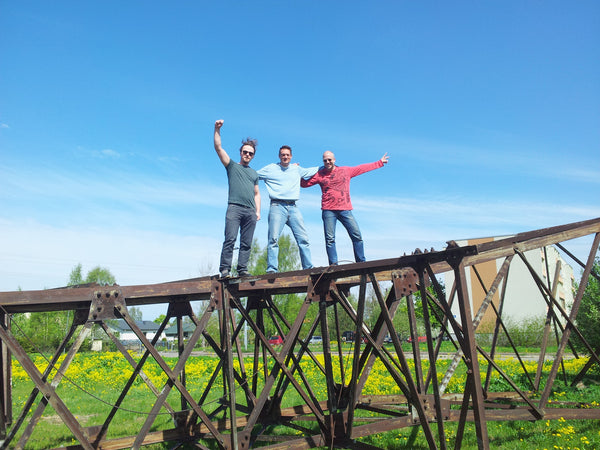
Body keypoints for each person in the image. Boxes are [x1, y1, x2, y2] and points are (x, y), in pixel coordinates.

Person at [301, 151, 389, 265]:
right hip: (328, 210)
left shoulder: (345, 170)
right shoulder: (320, 174)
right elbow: (304, 184)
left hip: (345, 209)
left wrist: (379, 162)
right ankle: (333, 266)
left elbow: (361, 168)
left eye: (329, 160)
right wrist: (295, 172)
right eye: (325, 160)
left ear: (334, 160)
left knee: (357, 236)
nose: (327, 162)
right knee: (330, 240)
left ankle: (361, 263)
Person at [258, 146, 318, 273]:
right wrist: (241, 170)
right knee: (273, 239)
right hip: (277, 207)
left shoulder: (296, 169)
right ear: (279, 156)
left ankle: (308, 267)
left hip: (293, 207)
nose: (285, 157)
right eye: (283, 155)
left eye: (287, 155)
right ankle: (272, 270)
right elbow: (254, 175)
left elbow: (311, 171)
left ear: (291, 156)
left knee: (303, 239)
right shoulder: (271, 168)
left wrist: (326, 166)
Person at [213, 119, 261, 278]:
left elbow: (257, 193)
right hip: (234, 208)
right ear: (240, 152)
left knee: (246, 243)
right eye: (245, 152)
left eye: (250, 153)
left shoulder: (254, 173)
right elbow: (218, 148)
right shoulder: (232, 166)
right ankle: (225, 270)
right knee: (230, 239)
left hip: (250, 212)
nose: (247, 155)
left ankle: (242, 270)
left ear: (253, 156)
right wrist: (217, 129)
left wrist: (257, 211)